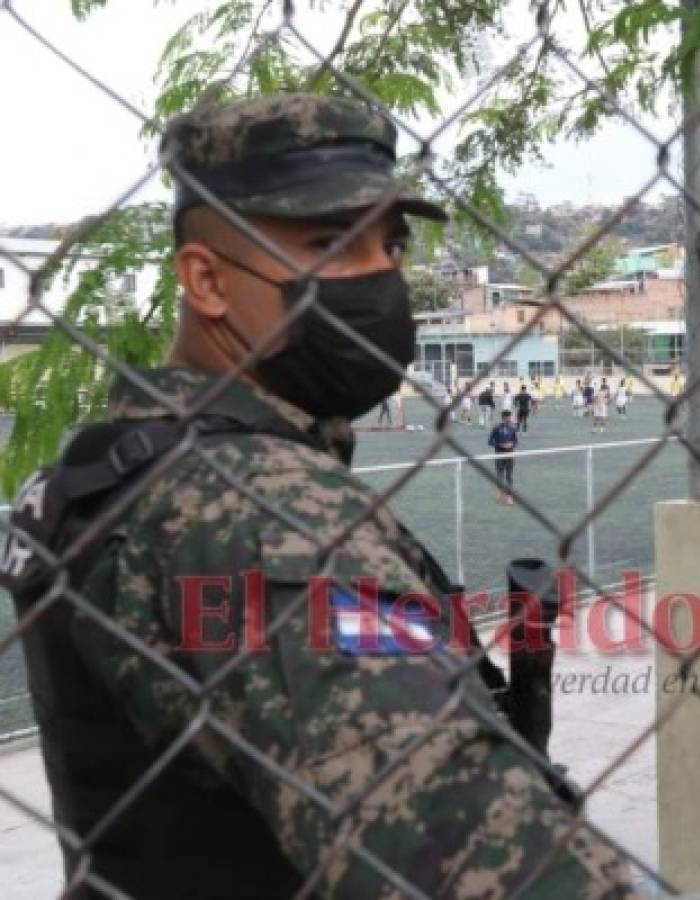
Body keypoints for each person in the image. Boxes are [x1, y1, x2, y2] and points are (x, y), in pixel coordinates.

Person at [0, 93, 632, 898]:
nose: (378, 280)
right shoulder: (257, 505)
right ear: (208, 281)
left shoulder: (120, 460)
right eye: (329, 244)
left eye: (391, 246)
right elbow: (475, 846)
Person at [488, 409, 519, 504]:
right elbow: (490, 442)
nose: (510, 419)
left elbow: (516, 441)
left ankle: (509, 496)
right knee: (500, 475)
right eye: (509, 417)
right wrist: (501, 445)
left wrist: (512, 445)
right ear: (504, 418)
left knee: (509, 476)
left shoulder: (512, 428)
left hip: (510, 455)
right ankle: (500, 494)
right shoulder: (496, 428)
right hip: (499, 455)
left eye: (511, 417)